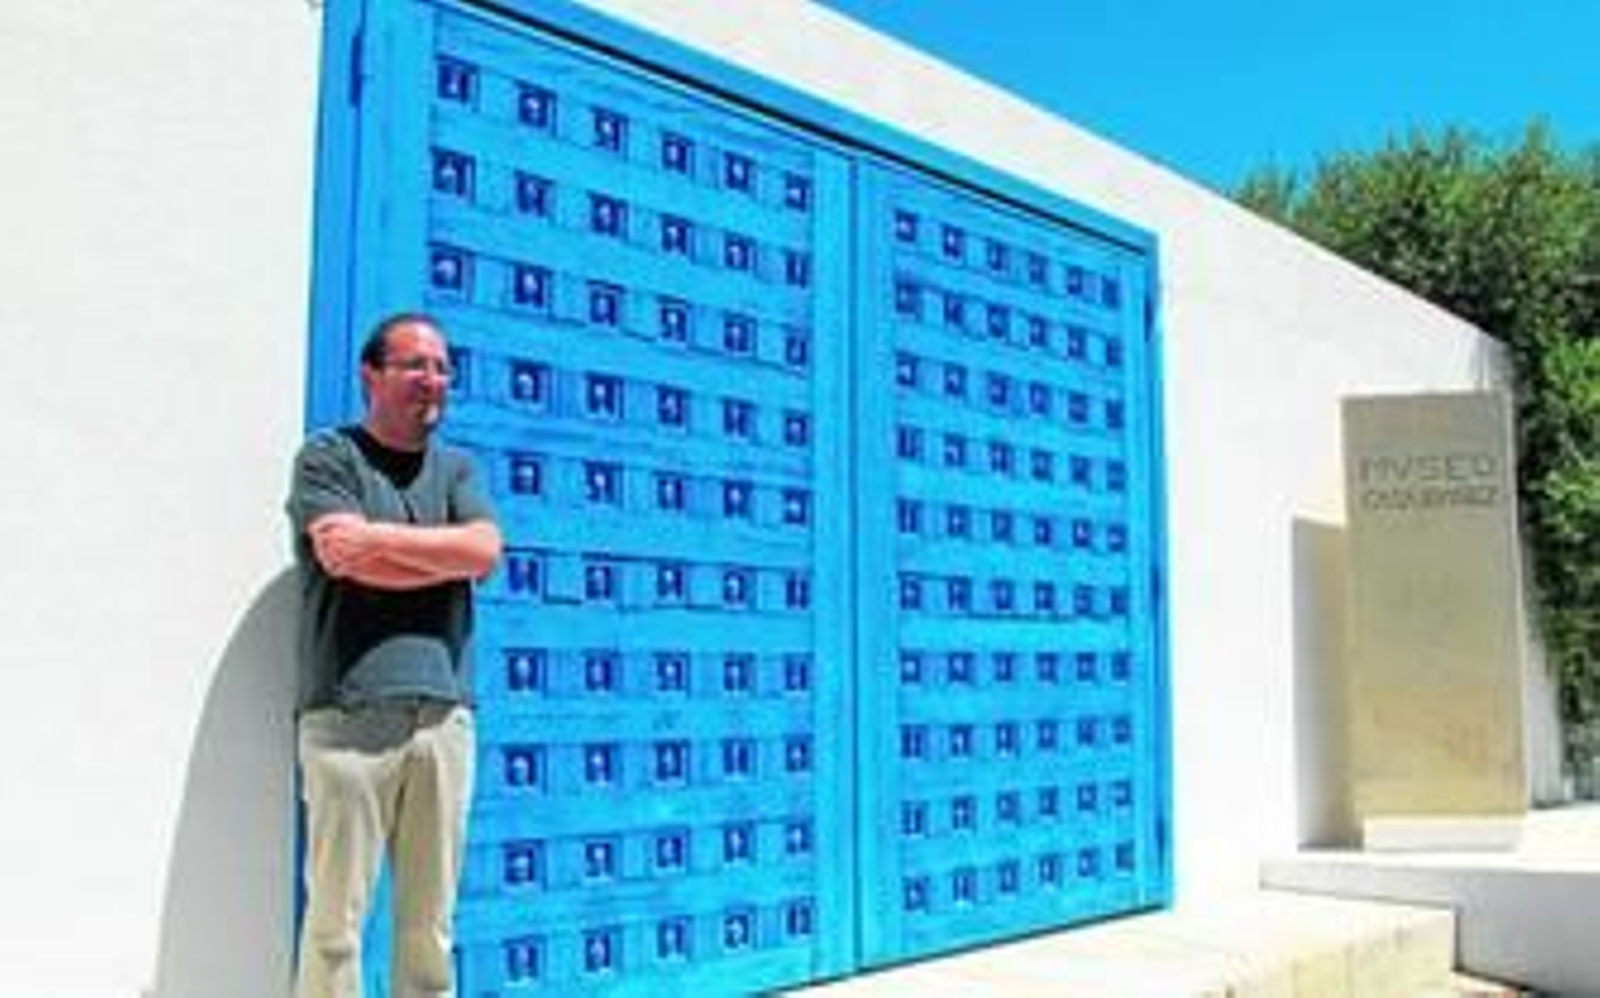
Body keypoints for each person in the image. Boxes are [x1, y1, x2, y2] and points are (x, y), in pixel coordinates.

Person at [287, 312, 502, 998]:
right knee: (333, 929)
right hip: (348, 718)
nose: (432, 380)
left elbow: (484, 551)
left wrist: (378, 542)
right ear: (370, 375)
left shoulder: (458, 468)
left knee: (429, 931)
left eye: (442, 367)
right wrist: (442, 556)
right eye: (415, 365)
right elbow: (343, 561)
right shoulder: (328, 459)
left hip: (443, 721)